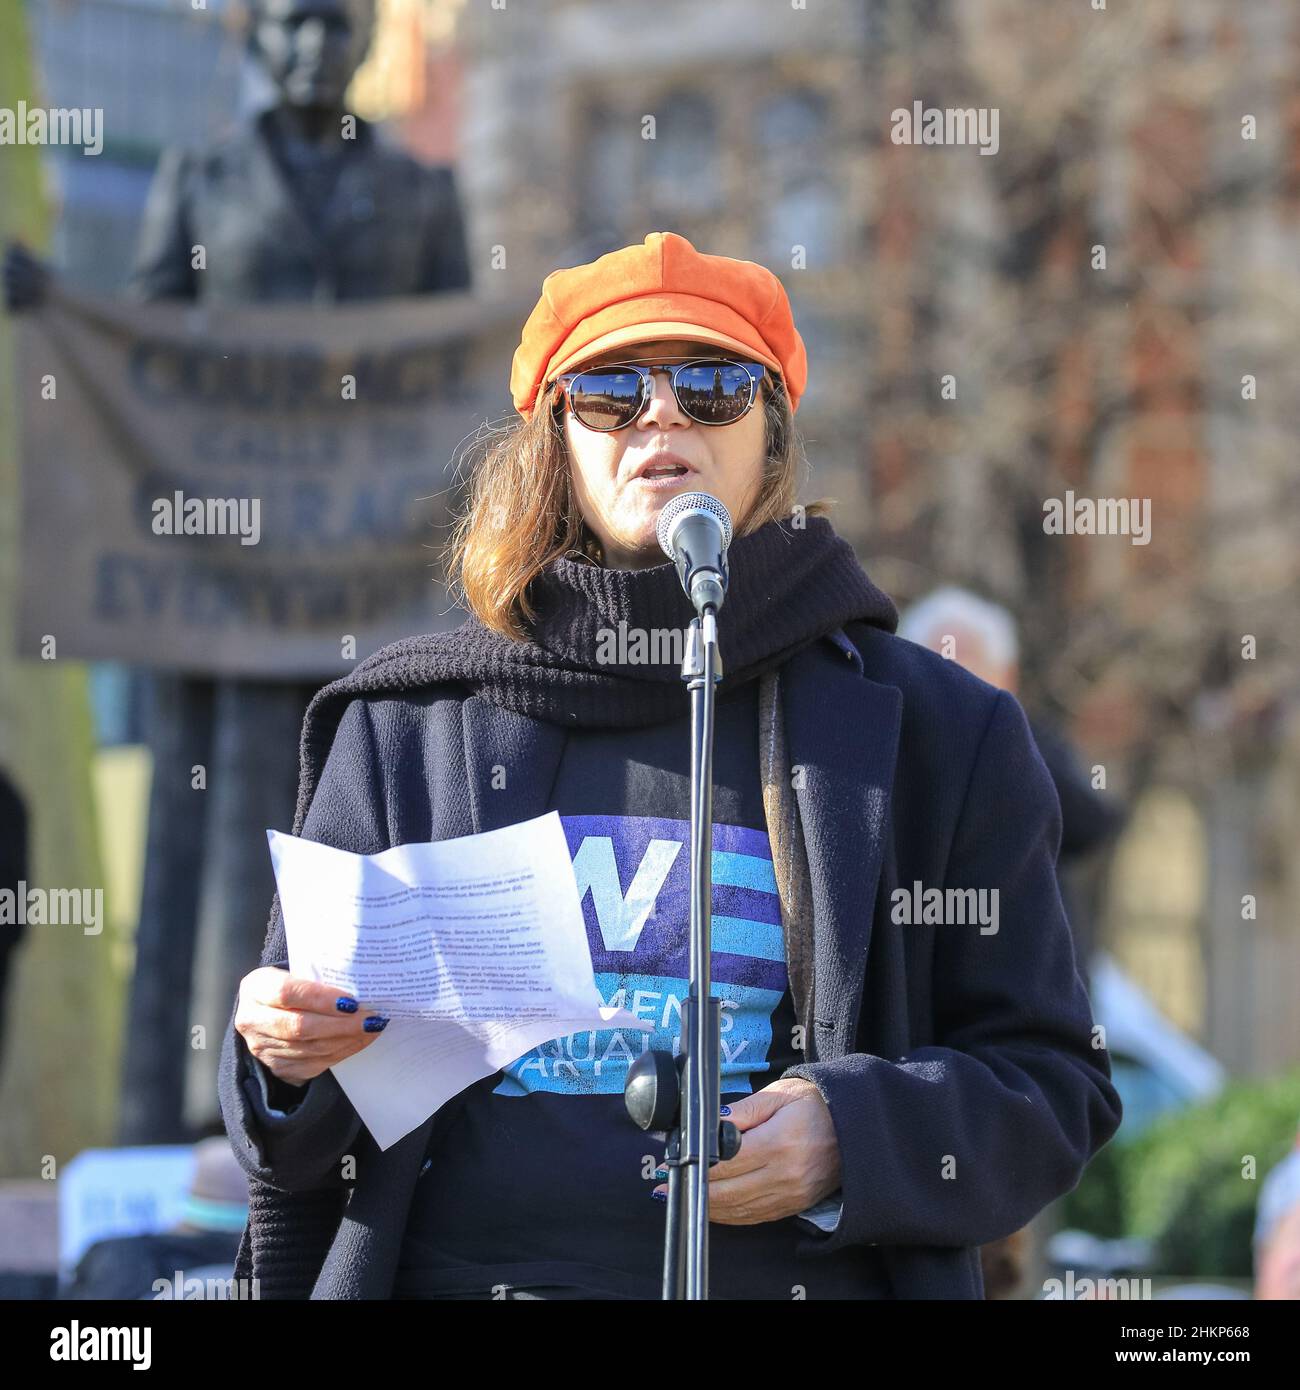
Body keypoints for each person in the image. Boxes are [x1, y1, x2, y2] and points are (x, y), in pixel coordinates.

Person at [219, 230, 1122, 1300]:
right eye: (610, 389)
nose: (661, 416)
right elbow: (295, 1128)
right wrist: (284, 1060)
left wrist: (854, 1136)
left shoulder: (937, 732)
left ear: (769, 434)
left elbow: (1053, 1082)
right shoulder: (409, 726)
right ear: (554, 436)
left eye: (708, 386)